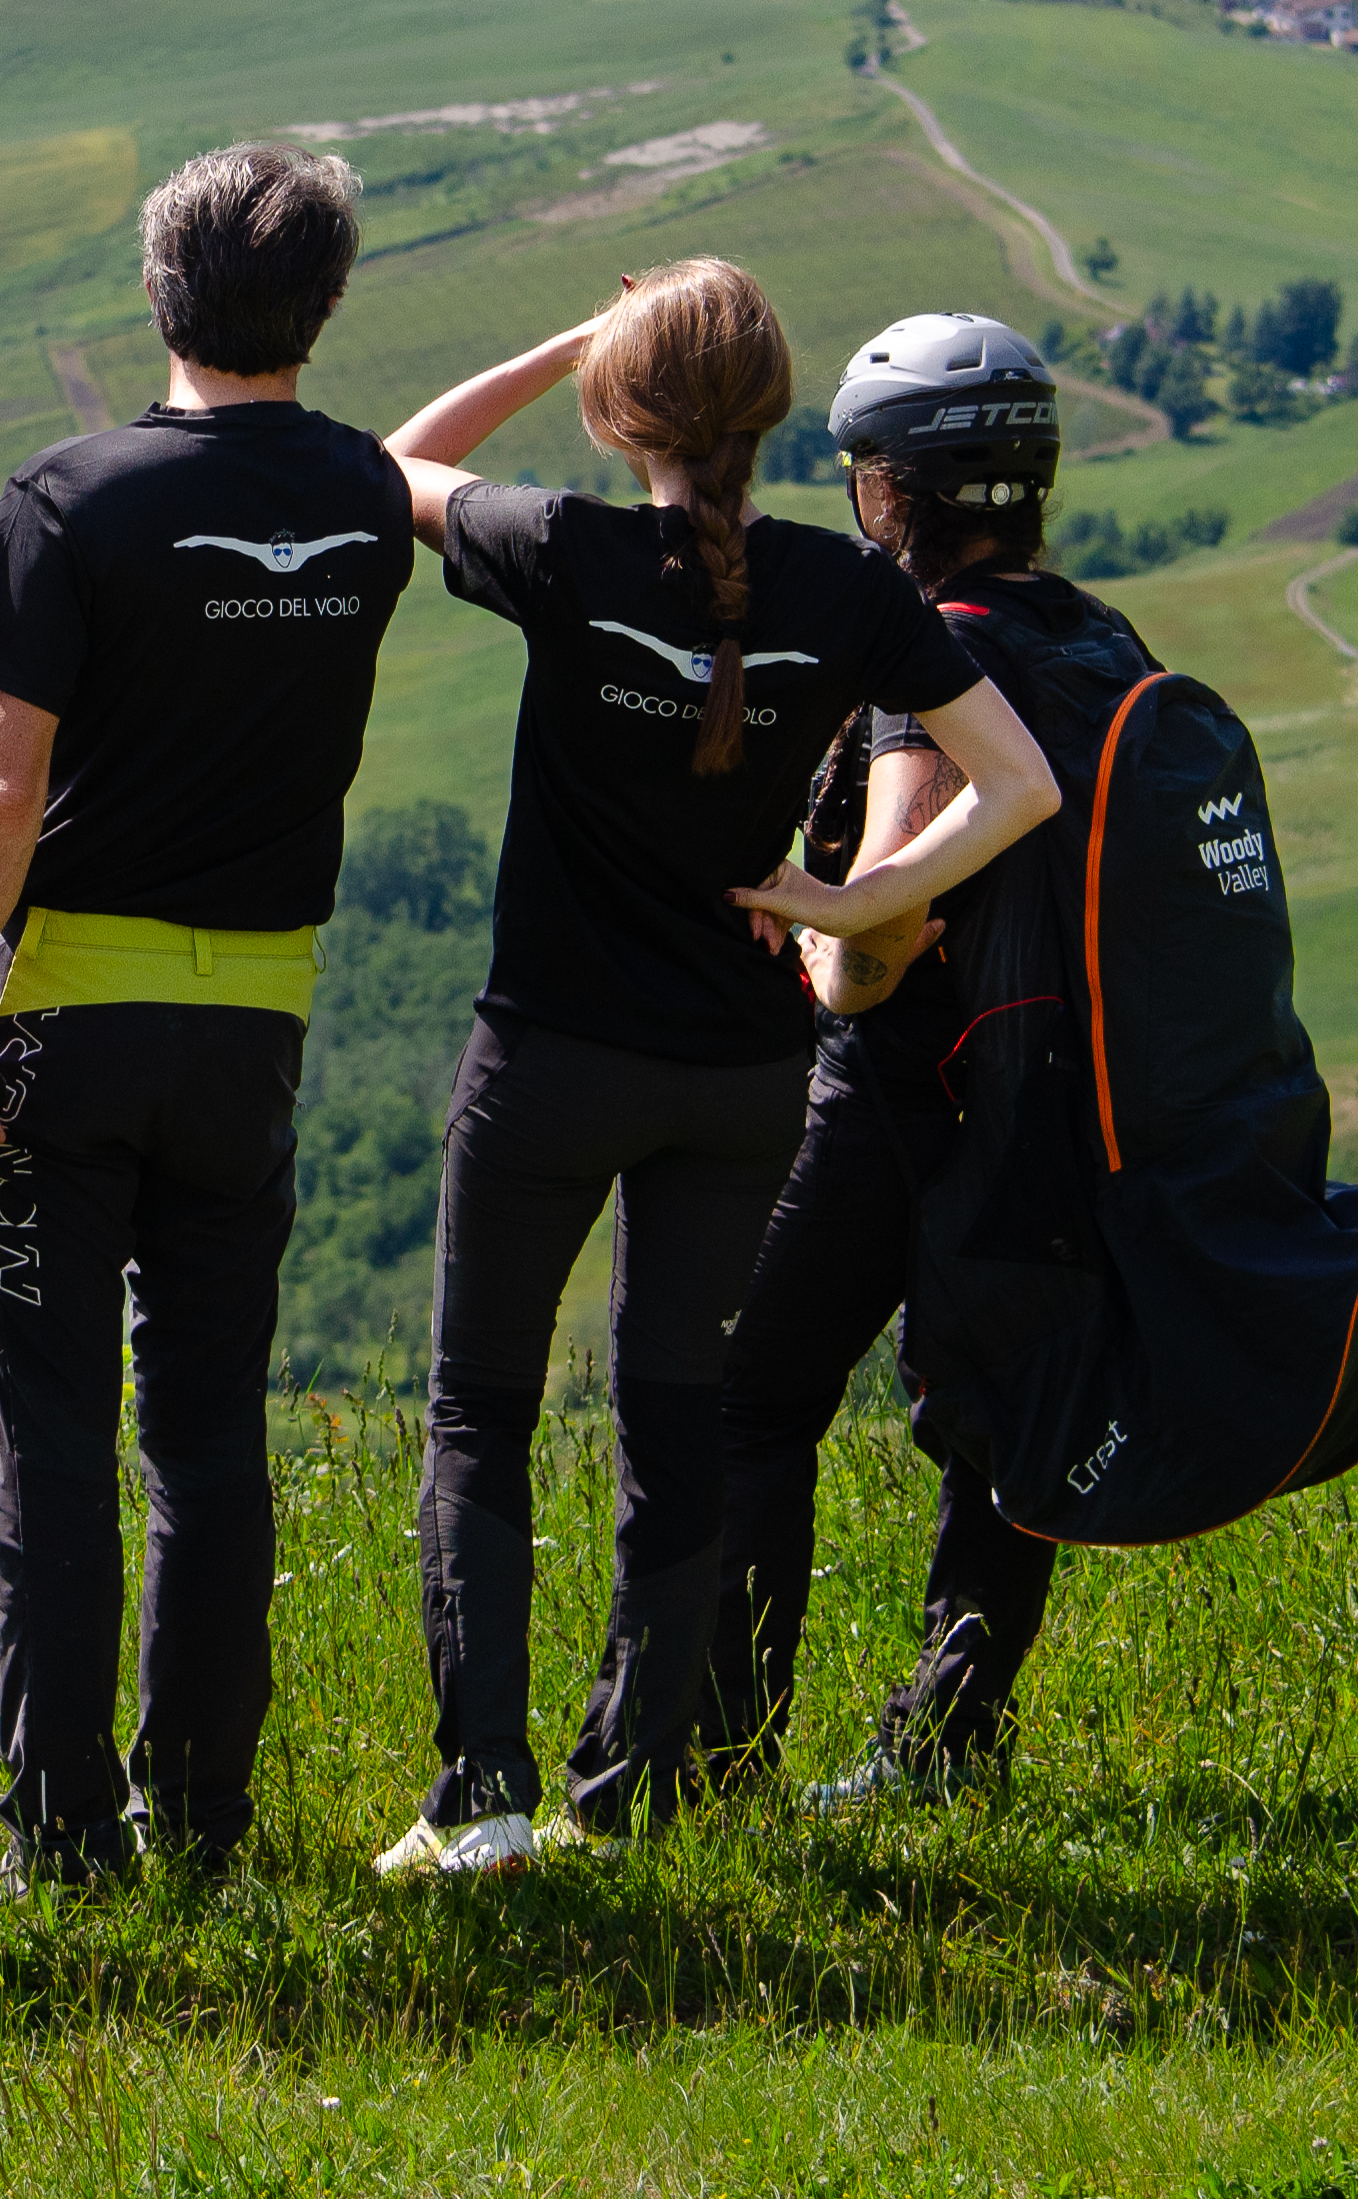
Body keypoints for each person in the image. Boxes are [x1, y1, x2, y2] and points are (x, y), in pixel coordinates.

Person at [363, 263, 1058, 1878]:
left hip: (545, 1061)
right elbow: (1016, 781)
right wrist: (850, 901)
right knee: (677, 1421)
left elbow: (389, 462)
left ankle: (482, 1801)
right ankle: (629, 1793)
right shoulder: (847, 591)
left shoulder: (566, 549)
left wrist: (567, 338)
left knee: (481, 1412)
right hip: (739, 1077)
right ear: (777, 419)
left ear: (625, 416)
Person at [0, 142, 412, 1901]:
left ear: (154, 292)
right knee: (210, 1428)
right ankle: (201, 1825)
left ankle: (62, 1843)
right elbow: (412, 462)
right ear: (325, 307)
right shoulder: (357, 501)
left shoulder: (72, 496)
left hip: (61, 1028)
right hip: (255, 1030)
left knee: (48, 1437)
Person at [703, 312, 1080, 1807]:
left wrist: (808, 933)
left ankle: (724, 1764)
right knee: (1002, 1421)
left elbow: (872, 955)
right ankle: (946, 1750)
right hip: (1057, 1101)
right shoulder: (1098, 640)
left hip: (903, 1093)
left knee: (752, 1400)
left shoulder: (931, 664)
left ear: (890, 497)